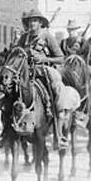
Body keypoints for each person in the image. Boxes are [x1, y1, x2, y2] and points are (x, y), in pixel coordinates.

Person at [14, 7, 69, 138]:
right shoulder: (24, 38)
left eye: (35, 21)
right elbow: (16, 54)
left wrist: (44, 58)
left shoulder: (47, 37)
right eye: (30, 21)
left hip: (44, 70)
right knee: (8, 89)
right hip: (26, 72)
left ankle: (58, 118)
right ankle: (8, 127)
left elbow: (61, 58)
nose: (32, 23)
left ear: (40, 23)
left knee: (57, 87)